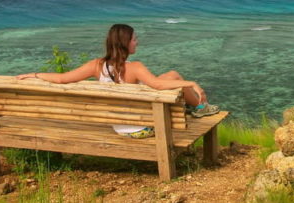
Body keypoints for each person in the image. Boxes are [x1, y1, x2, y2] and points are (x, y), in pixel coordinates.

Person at [17, 23, 219, 138]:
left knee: (171, 75)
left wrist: (34, 74)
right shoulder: (135, 67)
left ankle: (200, 107)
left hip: (120, 127)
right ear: (125, 43)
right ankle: (201, 107)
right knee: (172, 81)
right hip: (144, 127)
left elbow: (62, 79)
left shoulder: (96, 65)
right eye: (134, 39)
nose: (137, 42)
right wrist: (191, 83)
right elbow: (157, 85)